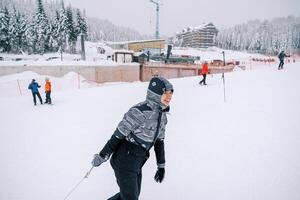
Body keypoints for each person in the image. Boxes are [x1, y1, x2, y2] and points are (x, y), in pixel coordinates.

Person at [92, 76, 174, 200]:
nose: (169, 97)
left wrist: (161, 166)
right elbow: (118, 135)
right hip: (124, 160)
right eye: (165, 93)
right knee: (130, 198)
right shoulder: (139, 111)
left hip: (137, 161)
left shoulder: (162, 116)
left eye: (170, 93)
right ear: (155, 94)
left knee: (129, 196)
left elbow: (159, 141)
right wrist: (102, 155)